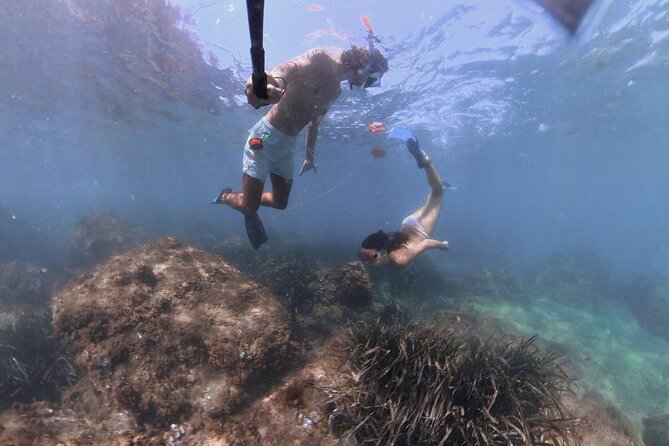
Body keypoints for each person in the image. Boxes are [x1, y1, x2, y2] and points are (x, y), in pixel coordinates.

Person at [212, 45, 389, 249]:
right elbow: (289, 68)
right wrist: (273, 83)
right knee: (250, 207)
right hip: (264, 138)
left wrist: (309, 157)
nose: (373, 83)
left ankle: (247, 198)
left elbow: (314, 124)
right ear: (366, 67)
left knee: (280, 202)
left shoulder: (336, 91)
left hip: (287, 145)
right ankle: (225, 197)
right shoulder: (321, 58)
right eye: (375, 77)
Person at [358, 129, 449, 268]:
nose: (365, 263)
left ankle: (426, 163)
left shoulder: (399, 260)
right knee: (431, 200)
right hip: (407, 224)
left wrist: (442, 245)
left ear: (378, 253)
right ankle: (439, 183)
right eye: (363, 257)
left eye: (368, 258)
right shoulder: (387, 252)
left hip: (420, 230)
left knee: (437, 194)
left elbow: (425, 243)